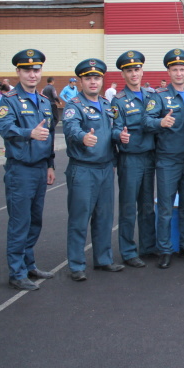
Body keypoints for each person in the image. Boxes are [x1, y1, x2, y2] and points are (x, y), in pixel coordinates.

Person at [0, 49, 56, 291]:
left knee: (35, 221)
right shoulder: (9, 100)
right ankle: (17, 272)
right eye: (27, 70)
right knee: (19, 222)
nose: (32, 74)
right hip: (20, 170)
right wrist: (28, 133)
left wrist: (50, 164)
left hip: (40, 168)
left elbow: (49, 135)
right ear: (18, 72)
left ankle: (29, 264)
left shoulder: (44, 101)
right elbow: (4, 127)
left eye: (36, 69)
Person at [63, 58, 125, 282]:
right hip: (83, 169)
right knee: (80, 218)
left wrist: (120, 136)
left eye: (96, 77)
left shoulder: (108, 105)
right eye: (88, 77)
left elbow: (113, 130)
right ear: (81, 80)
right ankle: (77, 264)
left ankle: (103, 259)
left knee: (105, 217)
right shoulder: (74, 106)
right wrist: (83, 137)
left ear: (102, 80)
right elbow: (70, 129)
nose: (92, 81)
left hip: (106, 168)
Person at [144, 49, 184, 269]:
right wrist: (160, 123)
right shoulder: (158, 96)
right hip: (168, 160)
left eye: (182, 69)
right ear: (168, 71)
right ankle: (165, 249)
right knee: (166, 208)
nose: (179, 73)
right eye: (175, 69)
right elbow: (145, 121)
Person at [111, 50, 157, 268]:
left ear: (142, 71)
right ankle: (128, 251)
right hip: (130, 159)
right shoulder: (118, 101)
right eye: (129, 70)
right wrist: (119, 136)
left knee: (147, 206)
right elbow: (115, 129)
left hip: (150, 157)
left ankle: (148, 246)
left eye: (137, 69)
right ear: (123, 74)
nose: (134, 74)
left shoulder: (151, 95)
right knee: (128, 207)